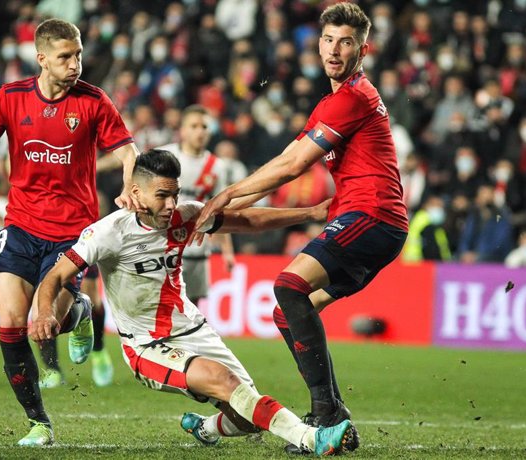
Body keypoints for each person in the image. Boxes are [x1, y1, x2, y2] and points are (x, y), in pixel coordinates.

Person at [31, 149, 352, 456]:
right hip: (146, 344)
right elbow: (55, 277)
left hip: (193, 329)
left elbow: (247, 221)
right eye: (161, 195)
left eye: (175, 194)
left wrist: (310, 213)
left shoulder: (185, 216)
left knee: (246, 415)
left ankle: (206, 428)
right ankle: (312, 438)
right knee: (225, 382)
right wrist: (45, 312)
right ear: (136, 192)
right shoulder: (107, 233)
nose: (172, 204)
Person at [195, 3, 409, 454]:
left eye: (346, 42)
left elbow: (292, 166)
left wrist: (224, 196)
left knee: (288, 285)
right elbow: (281, 164)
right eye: (329, 40)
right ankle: (333, 414)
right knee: (287, 308)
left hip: (371, 216)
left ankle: (327, 414)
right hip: (369, 223)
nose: (335, 50)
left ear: (363, 49)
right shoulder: (332, 103)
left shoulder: (353, 97)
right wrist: (221, 211)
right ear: (318, 44)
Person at [0, 18, 140, 446]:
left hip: (72, 235)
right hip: (21, 227)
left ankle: (78, 313)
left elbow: (127, 150)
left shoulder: (94, 101)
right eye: (65, 57)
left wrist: (128, 187)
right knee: (11, 321)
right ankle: (39, 423)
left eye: (78, 54)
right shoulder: (9, 98)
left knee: (46, 324)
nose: (75, 64)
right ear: (41, 58)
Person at [159, 105, 235, 306]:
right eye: (194, 126)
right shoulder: (165, 156)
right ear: (182, 130)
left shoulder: (216, 166)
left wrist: (227, 251)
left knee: (190, 310)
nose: (200, 131)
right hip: (162, 246)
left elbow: (219, 211)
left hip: (196, 250)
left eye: (204, 126)